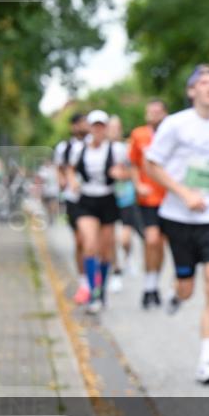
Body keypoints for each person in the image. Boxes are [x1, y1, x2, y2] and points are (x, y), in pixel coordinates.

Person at [144, 64, 209, 385]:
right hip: (178, 216)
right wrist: (183, 193)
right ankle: (178, 294)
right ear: (191, 91)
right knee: (187, 289)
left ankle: (207, 361)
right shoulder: (175, 125)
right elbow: (151, 164)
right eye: (203, 83)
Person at [64, 110, 130, 314]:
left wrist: (121, 174)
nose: (99, 130)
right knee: (89, 244)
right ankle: (93, 291)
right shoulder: (79, 149)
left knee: (105, 250)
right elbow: (69, 169)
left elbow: (130, 171)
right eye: (95, 126)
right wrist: (73, 181)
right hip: (86, 199)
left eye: (102, 126)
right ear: (90, 128)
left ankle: (101, 293)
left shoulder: (117, 149)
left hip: (108, 199)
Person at [128, 98, 169, 309]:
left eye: (157, 111)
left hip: (169, 198)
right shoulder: (138, 135)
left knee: (161, 244)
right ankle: (147, 284)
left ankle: (154, 285)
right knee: (151, 240)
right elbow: (134, 164)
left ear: (164, 114)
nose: (153, 115)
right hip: (148, 198)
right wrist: (137, 185)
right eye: (150, 111)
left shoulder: (172, 133)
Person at [54, 112, 92, 304]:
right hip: (73, 199)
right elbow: (60, 168)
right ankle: (85, 283)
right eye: (83, 122)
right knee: (80, 241)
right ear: (74, 126)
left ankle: (97, 280)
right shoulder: (64, 147)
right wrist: (62, 180)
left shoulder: (95, 143)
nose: (86, 125)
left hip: (93, 197)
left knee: (93, 243)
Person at [107, 114, 140, 293]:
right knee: (111, 238)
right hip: (108, 198)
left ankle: (128, 256)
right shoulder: (100, 149)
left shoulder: (127, 149)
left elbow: (136, 172)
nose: (113, 131)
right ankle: (116, 271)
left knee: (124, 238)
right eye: (110, 127)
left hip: (126, 197)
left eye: (116, 128)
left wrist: (123, 175)